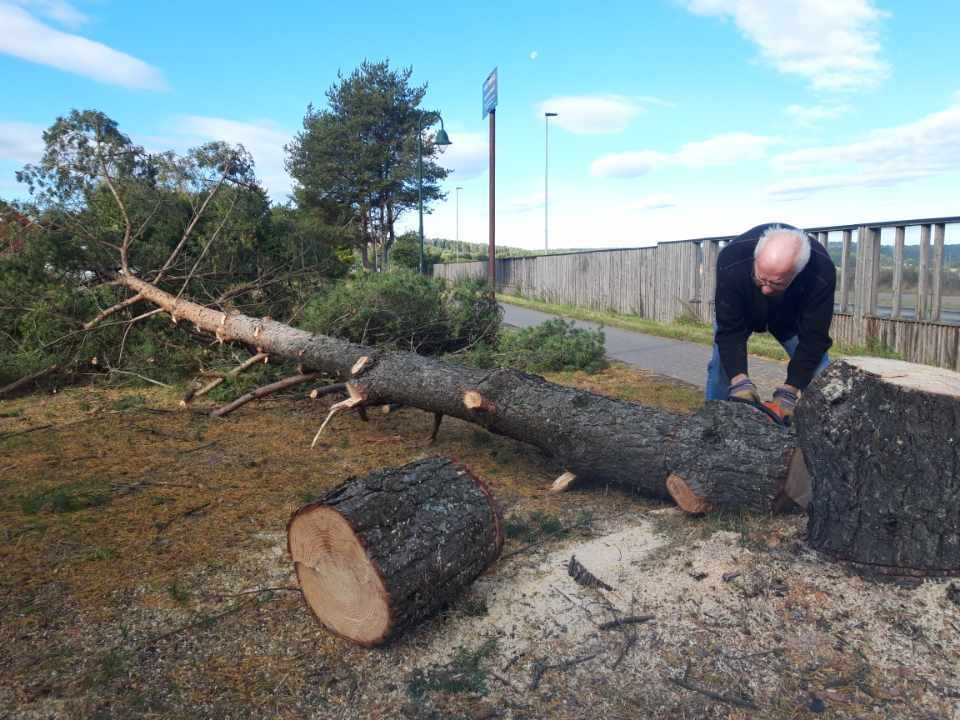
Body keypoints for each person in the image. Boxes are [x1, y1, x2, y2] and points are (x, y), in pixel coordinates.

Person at [706, 222, 836, 423]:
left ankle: (825, 429)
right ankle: (711, 424)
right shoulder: (732, 259)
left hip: (790, 319)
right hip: (743, 313)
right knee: (720, 370)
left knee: (821, 375)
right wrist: (739, 380)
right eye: (760, 279)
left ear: (797, 272)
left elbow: (814, 339)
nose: (765, 289)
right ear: (756, 259)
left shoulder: (821, 272)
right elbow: (729, 330)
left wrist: (790, 390)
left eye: (776, 283)